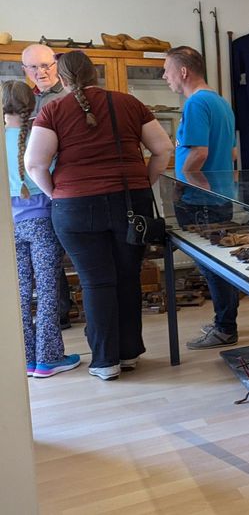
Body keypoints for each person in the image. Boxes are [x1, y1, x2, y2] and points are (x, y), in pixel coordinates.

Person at [24, 51, 173, 381]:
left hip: (75, 208)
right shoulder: (129, 103)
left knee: (96, 282)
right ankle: (129, 353)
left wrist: (56, 194)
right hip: (130, 202)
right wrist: (140, 182)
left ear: (62, 78)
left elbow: (34, 163)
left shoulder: (53, 110)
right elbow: (163, 149)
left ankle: (106, 362)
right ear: (96, 74)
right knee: (127, 276)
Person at [162, 46, 241, 350]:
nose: (165, 76)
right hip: (218, 196)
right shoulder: (220, 102)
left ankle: (224, 327)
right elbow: (231, 152)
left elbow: (198, 153)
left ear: (183, 71)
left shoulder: (197, 103)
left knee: (213, 267)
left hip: (200, 201)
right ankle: (225, 322)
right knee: (219, 264)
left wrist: (192, 184)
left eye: (167, 70)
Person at [3, 81, 80, 378]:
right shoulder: (40, 135)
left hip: (10, 225)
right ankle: (48, 358)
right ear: (33, 105)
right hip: (42, 222)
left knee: (20, 291)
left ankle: (26, 358)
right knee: (48, 290)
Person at [21, 43, 74, 329]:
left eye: (46, 65)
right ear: (24, 70)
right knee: (49, 254)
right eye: (34, 67)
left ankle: (60, 311)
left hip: (64, 184)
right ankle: (60, 312)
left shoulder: (66, 96)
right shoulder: (28, 99)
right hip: (38, 187)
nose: (41, 72)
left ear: (56, 64)